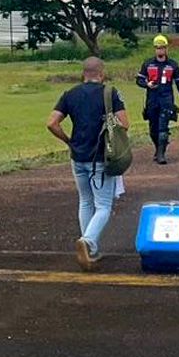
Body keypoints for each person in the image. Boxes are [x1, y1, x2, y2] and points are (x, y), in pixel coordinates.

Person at [47, 57, 129, 271]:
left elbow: (52, 123)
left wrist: (68, 140)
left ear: (83, 73)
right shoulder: (110, 93)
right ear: (101, 73)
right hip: (100, 157)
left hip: (78, 156)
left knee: (85, 201)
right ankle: (88, 241)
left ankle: (90, 250)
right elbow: (124, 124)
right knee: (103, 205)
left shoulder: (70, 94)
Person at [135, 35, 179, 165]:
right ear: (155, 49)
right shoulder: (148, 64)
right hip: (152, 99)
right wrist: (147, 84)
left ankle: (161, 154)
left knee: (163, 128)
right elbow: (139, 80)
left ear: (166, 49)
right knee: (153, 128)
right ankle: (157, 148)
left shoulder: (173, 65)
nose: (160, 50)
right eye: (158, 48)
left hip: (166, 99)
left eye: (162, 48)